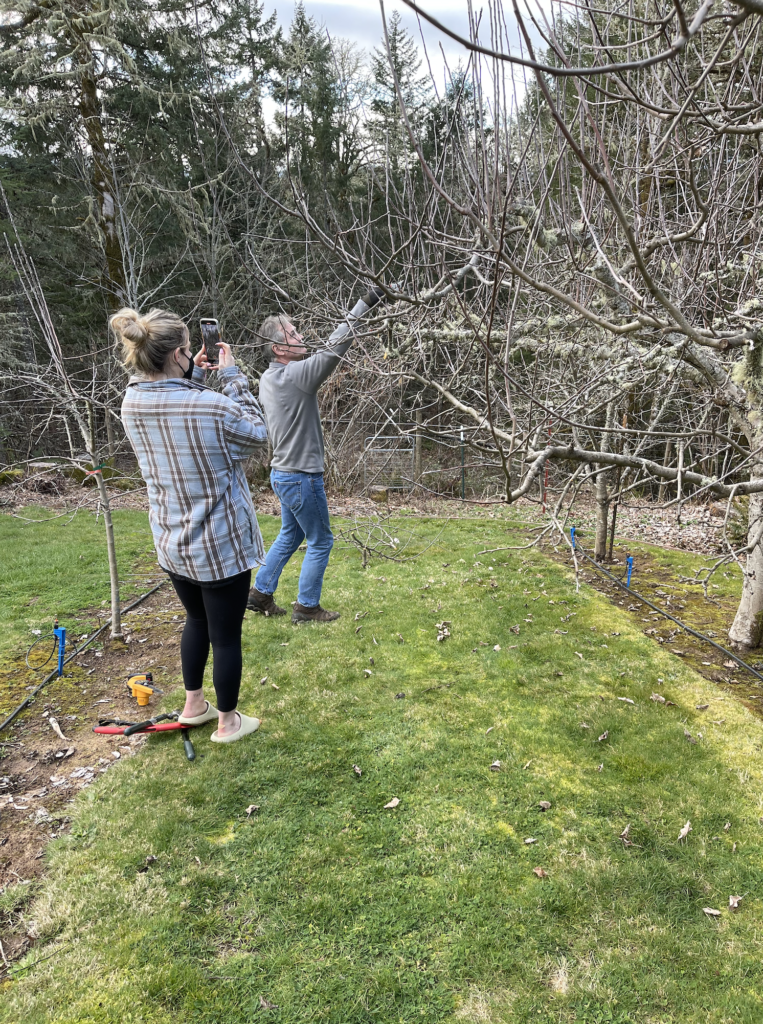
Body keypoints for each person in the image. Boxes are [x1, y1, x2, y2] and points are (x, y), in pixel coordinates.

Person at [113, 306, 267, 743]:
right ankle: (228, 722)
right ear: (180, 352)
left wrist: (192, 376)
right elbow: (256, 433)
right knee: (226, 636)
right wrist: (233, 377)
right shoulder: (212, 405)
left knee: (196, 621)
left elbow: (180, 417)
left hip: (171, 540)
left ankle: (194, 705)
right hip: (220, 544)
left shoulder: (133, 402)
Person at [249, 286, 388, 623]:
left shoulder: (268, 379)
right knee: (321, 539)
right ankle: (307, 607)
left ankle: (259, 593)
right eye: (293, 333)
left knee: (291, 534)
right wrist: (365, 302)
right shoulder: (294, 376)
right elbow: (333, 348)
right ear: (279, 348)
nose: (300, 335)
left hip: (283, 474)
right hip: (300, 476)